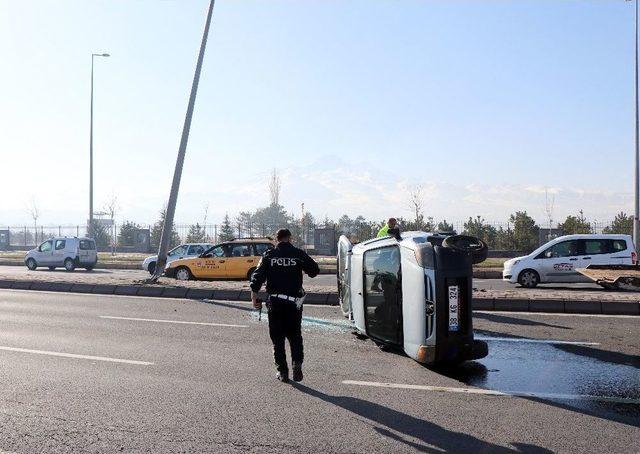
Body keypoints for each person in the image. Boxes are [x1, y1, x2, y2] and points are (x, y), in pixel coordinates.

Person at [250, 228, 320, 383]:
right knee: (295, 336)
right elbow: (315, 270)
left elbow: (257, 276)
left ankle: (282, 372)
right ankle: (297, 364)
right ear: (290, 238)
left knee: (277, 338)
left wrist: (254, 296)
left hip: (275, 302)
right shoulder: (298, 254)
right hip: (294, 304)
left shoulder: (269, 255)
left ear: (277, 239)